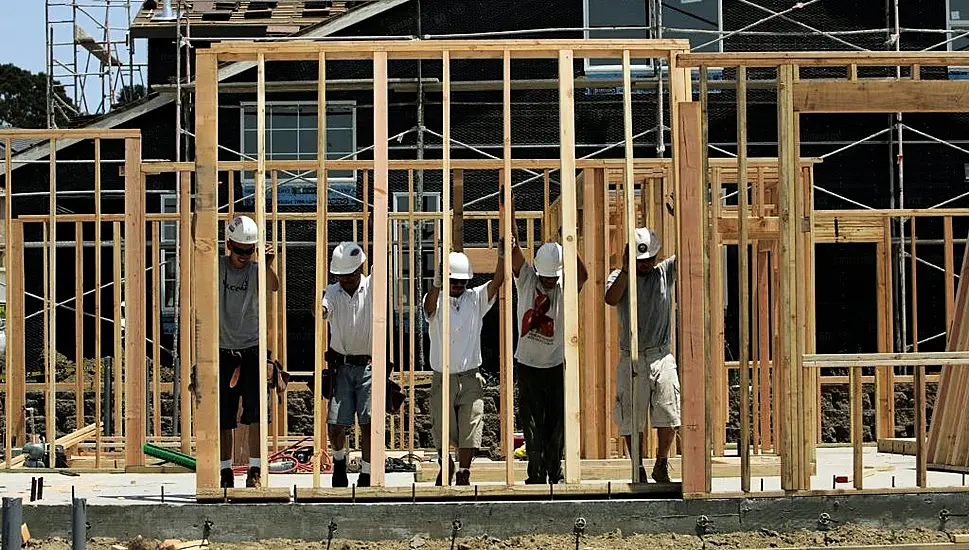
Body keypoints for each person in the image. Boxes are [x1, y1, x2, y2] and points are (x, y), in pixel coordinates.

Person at [604, 227, 680, 483]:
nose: (646, 265)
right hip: (632, 357)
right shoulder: (620, 276)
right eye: (641, 260)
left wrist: (677, 217)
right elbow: (611, 298)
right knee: (631, 416)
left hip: (661, 355)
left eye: (650, 259)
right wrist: (626, 270)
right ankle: (637, 466)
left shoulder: (664, 272)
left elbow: (691, 248)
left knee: (667, 410)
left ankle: (661, 462)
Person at [423, 250, 506, 485]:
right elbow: (429, 308)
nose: (458, 285)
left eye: (462, 281)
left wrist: (502, 256)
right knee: (441, 425)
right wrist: (437, 285)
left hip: (470, 375)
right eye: (454, 281)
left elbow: (497, 281)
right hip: (443, 375)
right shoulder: (436, 299)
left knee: (471, 424)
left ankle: (464, 471)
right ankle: (445, 462)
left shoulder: (475, 298)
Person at [511, 237, 588, 484]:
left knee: (557, 425)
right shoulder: (527, 280)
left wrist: (571, 245)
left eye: (553, 277)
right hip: (527, 365)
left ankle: (554, 473)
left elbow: (583, 277)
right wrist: (508, 216)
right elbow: (514, 253)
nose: (549, 282)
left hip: (555, 365)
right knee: (531, 423)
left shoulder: (563, 284)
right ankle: (535, 474)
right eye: (546, 277)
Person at [218, 215, 279, 489]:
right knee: (224, 417)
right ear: (229, 244)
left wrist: (266, 264)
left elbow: (273, 286)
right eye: (239, 250)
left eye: (249, 250)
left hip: (252, 349)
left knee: (256, 414)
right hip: (222, 349)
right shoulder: (217, 267)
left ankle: (255, 470)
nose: (244, 256)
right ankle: (225, 471)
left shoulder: (257, 270)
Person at [321, 241, 374, 488]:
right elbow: (321, 309)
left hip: (368, 365)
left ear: (360, 269)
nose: (345, 280)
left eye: (350, 275)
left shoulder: (373, 287)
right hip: (341, 366)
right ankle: (340, 464)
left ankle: (367, 472)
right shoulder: (333, 291)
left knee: (368, 423)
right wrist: (320, 308)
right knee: (336, 423)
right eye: (341, 276)